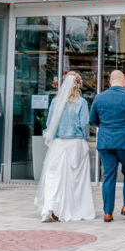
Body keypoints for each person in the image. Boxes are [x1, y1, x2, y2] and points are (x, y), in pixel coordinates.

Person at [35, 71, 95, 222]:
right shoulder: (81, 103)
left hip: (58, 144)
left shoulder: (55, 102)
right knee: (76, 180)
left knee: (54, 177)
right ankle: (73, 208)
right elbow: (83, 125)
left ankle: (50, 207)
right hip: (76, 143)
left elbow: (49, 124)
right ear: (79, 85)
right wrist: (86, 137)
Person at [90, 69, 125, 222]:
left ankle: (108, 212)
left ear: (110, 81)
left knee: (108, 176)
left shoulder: (99, 97)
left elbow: (93, 118)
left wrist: (106, 125)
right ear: (123, 80)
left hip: (106, 141)